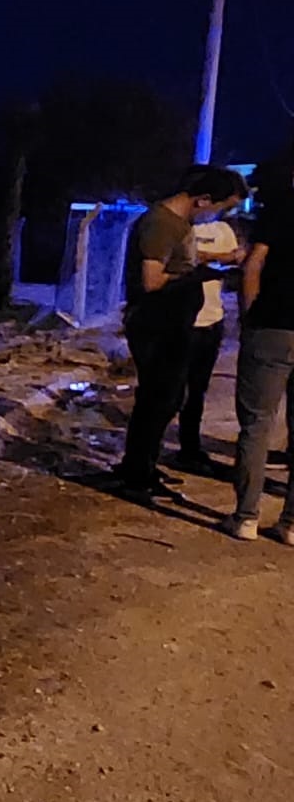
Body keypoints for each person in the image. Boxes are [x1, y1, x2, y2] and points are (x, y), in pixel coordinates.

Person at [115, 165, 245, 500]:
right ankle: (136, 474)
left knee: (166, 397)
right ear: (203, 200)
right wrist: (199, 278)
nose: (218, 215)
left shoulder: (179, 224)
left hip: (173, 322)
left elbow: (181, 261)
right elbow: (152, 280)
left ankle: (143, 466)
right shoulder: (160, 224)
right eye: (219, 207)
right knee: (159, 399)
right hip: (156, 323)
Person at [226, 164, 294, 541]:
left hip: (273, 325)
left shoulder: (281, 208)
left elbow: (253, 266)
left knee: (257, 424)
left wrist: (249, 316)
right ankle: (291, 524)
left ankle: (246, 517)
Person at [174, 173, 250, 472]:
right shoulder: (184, 225)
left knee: (198, 390)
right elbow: (183, 256)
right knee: (173, 390)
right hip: (183, 321)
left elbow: (237, 258)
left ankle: (189, 448)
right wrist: (215, 257)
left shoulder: (223, 229)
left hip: (212, 319)